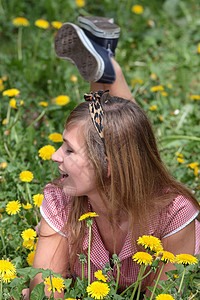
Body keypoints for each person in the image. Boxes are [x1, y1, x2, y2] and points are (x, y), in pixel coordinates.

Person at [29, 17, 200, 299]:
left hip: (142, 195)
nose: (55, 156)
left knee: (126, 140)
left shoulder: (173, 215)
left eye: (69, 150)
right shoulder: (60, 202)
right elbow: (45, 293)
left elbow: (165, 294)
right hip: (121, 173)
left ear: (107, 166)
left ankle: (107, 65)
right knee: (119, 131)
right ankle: (106, 65)